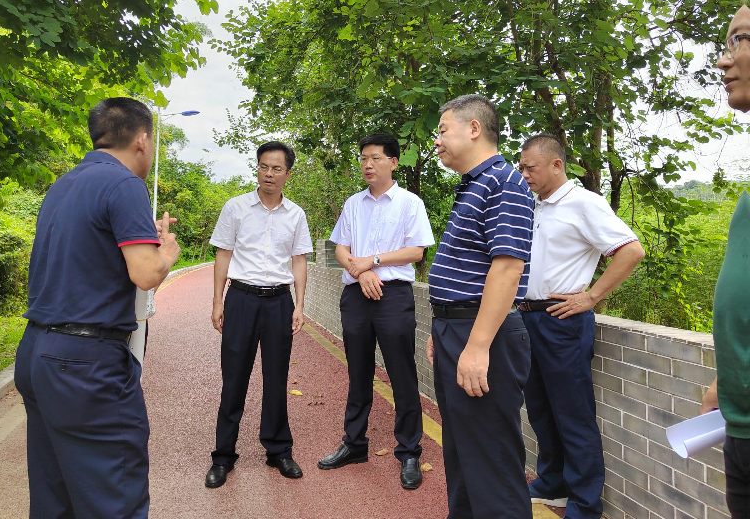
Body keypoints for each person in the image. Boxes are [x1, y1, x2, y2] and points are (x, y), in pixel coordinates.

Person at [15, 97, 181, 518]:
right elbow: (145, 273)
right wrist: (169, 254)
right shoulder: (125, 184)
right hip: (85, 363)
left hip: (37, 351)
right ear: (142, 139)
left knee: (56, 492)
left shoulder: (65, 183)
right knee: (115, 493)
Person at [517, 134, 645, 519]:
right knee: (539, 409)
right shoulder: (534, 206)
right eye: (521, 168)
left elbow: (630, 250)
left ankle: (585, 503)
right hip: (527, 317)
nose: (524, 175)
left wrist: (591, 297)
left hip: (563, 321)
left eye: (530, 168)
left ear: (557, 165)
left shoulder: (584, 203)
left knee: (573, 414)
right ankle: (552, 482)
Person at [426, 94, 535, 518]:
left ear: (474, 129)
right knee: (462, 451)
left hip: (481, 332)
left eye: (442, 129)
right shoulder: (475, 184)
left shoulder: (504, 182)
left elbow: (507, 269)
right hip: (459, 329)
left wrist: (476, 345)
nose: (437, 141)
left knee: (492, 460)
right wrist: (445, 331)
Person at [317, 133, 435, 489]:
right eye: (364, 158)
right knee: (358, 372)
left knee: (401, 373)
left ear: (393, 162)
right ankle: (354, 444)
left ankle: (410, 450)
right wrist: (362, 270)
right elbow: (340, 248)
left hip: (394, 295)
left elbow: (416, 251)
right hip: (356, 295)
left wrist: (375, 262)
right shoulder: (354, 204)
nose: (368, 164)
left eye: (375, 158)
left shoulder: (410, 203)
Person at [205, 141, 313, 488]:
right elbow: (224, 254)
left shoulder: (295, 214)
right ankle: (223, 456)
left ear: (288, 174)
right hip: (241, 299)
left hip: (279, 302)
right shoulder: (235, 208)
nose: (269, 173)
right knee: (233, 378)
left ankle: (278, 450)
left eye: (277, 168)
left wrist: (299, 304)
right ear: (258, 168)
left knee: (276, 378)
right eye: (264, 166)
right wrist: (218, 301)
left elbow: (299, 260)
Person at [700, 5, 750, 519]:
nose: (723, 60)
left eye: (739, 40)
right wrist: (727, 378)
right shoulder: (747, 203)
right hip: (739, 425)